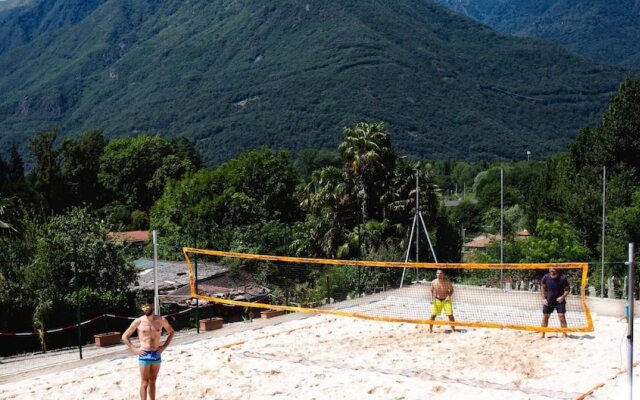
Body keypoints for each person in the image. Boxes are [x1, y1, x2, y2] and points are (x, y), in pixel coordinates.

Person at [122, 303, 175, 400]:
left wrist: (163, 347)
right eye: (144, 308)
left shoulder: (161, 320)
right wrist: (134, 349)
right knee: (144, 382)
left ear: (152, 307)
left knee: (153, 381)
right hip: (144, 353)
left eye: (147, 308)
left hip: (156, 353)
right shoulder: (138, 321)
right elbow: (124, 336)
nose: (145, 310)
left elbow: (171, 332)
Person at [540, 267, 570, 338]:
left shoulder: (563, 278)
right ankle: (542, 334)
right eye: (550, 271)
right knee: (545, 317)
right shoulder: (546, 277)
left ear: (557, 271)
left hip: (560, 301)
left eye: (553, 272)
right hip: (548, 301)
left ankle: (564, 334)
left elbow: (567, 290)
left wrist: (562, 297)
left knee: (562, 317)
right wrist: (544, 298)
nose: (552, 273)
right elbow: (542, 287)